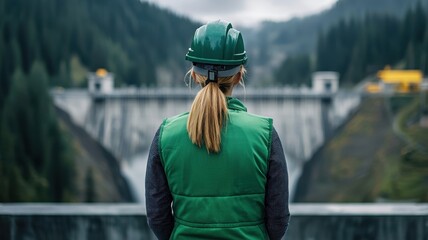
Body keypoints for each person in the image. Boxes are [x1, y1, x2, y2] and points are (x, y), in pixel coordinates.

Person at [145, 20, 290, 240]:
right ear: (240, 75)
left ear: (193, 74)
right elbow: (278, 219)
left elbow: (157, 217)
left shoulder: (166, 134)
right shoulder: (266, 134)